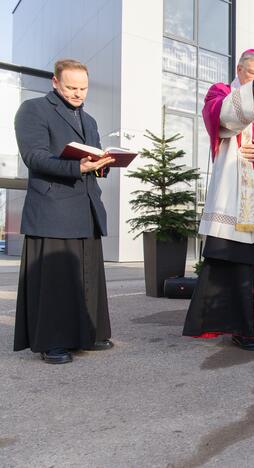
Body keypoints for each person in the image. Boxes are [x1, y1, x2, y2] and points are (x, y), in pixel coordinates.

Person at [182, 49, 254, 351]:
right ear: (239, 69)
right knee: (239, 263)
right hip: (235, 196)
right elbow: (226, 119)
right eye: (251, 73)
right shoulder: (221, 92)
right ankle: (240, 327)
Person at [13, 59, 115, 364]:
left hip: (85, 207)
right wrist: (77, 166)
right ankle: (53, 341)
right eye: (71, 87)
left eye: (83, 88)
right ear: (55, 82)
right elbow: (34, 156)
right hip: (52, 208)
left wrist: (102, 166)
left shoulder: (91, 120)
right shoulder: (33, 109)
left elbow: (93, 160)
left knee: (86, 276)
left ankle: (88, 334)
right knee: (56, 280)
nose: (78, 93)